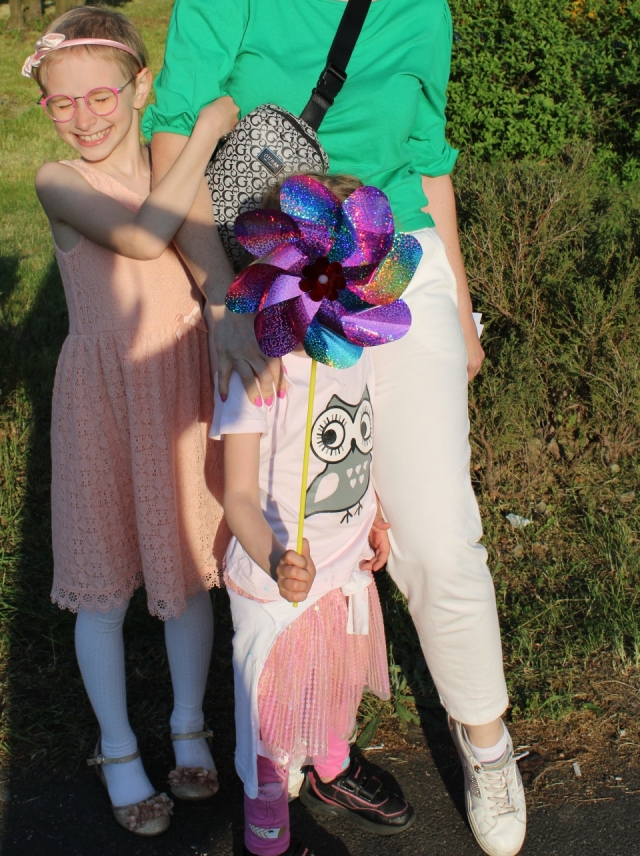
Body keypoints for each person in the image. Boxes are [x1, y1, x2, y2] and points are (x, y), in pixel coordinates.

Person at [145, 0, 526, 856]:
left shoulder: (422, 11)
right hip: (275, 284)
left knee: (437, 533)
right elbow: (175, 142)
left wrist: (460, 305)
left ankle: (485, 741)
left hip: (399, 275)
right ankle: (295, 737)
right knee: (294, 529)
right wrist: (223, 296)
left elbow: (429, 166)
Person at [29, 6, 239, 836]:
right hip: (105, 399)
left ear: (140, 88)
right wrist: (208, 130)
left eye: (101, 97)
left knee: (185, 568)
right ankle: (118, 748)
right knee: (105, 582)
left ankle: (189, 726)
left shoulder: (166, 166)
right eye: (62, 101)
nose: (83, 118)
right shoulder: (58, 179)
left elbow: (205, 252)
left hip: (177, 388)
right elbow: (149, 241)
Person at [214, 173, 413, 856]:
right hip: (281, 580)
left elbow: (359, 441)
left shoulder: (353, 351)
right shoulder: (254, 374)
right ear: (278, 272)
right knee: (269, 712)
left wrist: (374, 513)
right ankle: (267, 812)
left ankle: (331, 764)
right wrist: (276, 559)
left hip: (343, 563)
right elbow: (238, 497)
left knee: (335, 677)